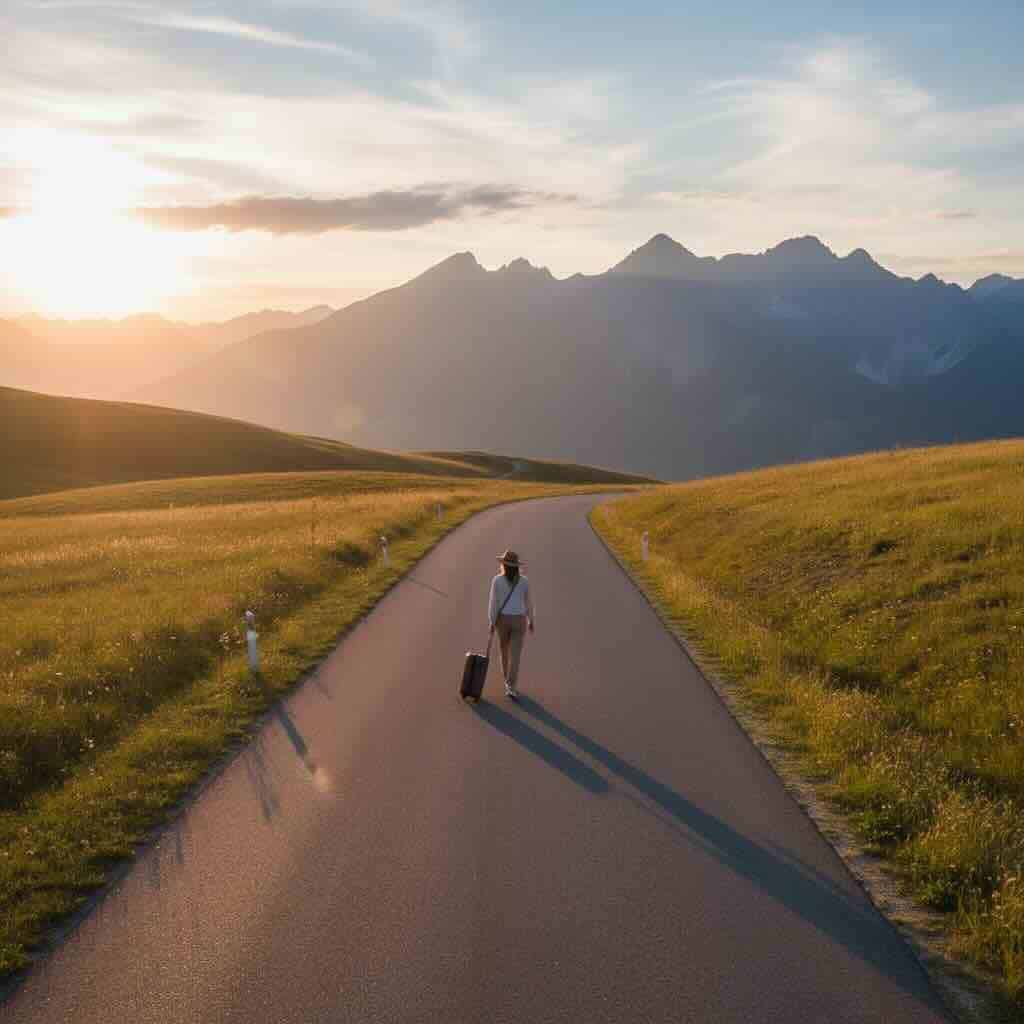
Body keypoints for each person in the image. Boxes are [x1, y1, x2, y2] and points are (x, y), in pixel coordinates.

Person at [488, 550, 535, 699]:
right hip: (519, 620)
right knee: (515, 655)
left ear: (503, 565)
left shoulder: (497, 580)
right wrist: (531, 619)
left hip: (502, 620)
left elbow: (493, 603)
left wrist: (491, 621)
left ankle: (506, 681)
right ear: (517, 567)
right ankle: (511, 685)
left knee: (504, 652)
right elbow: (528, 602)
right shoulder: (524, 581)